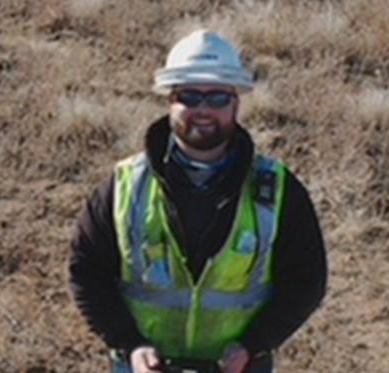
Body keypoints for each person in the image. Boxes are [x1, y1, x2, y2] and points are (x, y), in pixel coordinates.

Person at [69, 29, 327, 373]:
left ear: (236, 101)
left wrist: (255, 344)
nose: (203, 110)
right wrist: (129, 344)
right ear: (169, 100)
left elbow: (307, 278)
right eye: (189, 96)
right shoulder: (125, 185)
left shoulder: (277, 189)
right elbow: (86, 269)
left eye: (217, 98)